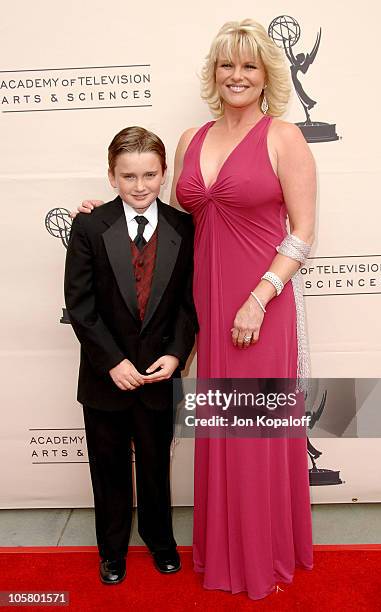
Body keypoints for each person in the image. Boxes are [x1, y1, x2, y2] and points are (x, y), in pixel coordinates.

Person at [77, 18, 316, 600]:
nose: (237, 75)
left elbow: (304, 234)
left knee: (252, 433)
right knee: (219, 435)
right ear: (214, 73)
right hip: (200, 305)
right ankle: (225, 550)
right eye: (226, 64)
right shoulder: (190, 139)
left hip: (259, 304)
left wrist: (259, 298)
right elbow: (166, 214)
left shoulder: (285, 137)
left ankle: (262, 556)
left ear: (266, 76)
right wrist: (100, 212)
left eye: (249, 65)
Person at [65, 126, 197, 585]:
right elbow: (80, 306)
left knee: (157, 467)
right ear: (111, 176)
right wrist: (112, 362)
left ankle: (161, 542)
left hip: (160, 377)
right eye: (128, 177)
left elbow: (187, 304)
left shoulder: (184, 227)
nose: (139, 186)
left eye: (149, 174)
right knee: (109, 470)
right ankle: (113, 550)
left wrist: (178, 355)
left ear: (164, 174)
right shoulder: (89, 226)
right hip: (105, 379)